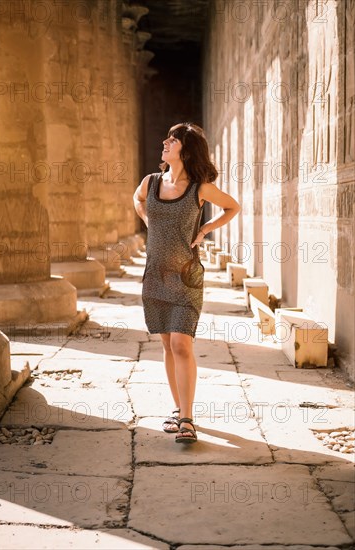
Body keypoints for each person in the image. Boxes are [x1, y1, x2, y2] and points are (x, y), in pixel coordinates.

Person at [133, 122, 241, 444]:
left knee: (182, 343)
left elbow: (233, 206)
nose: (165, 142)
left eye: (173, 139)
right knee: (167, 345)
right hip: (154, 276)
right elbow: (137, 199)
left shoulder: (199, 188)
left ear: (186, 149)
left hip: (185, 277)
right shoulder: (151, 183)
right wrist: (146, 218)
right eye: (167, 137)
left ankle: (187, 419)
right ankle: (178, 408)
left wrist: (207, 228)